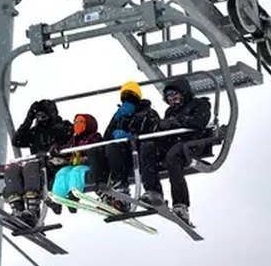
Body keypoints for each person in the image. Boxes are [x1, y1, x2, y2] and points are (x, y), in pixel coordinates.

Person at [138, 77, 212, 224]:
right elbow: (168, 130)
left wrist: (177, 121)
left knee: (173, 157)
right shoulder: (170, 111)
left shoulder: (200, 104)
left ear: (183, 93)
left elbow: (199, 122)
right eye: (168, 97)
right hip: (173, 142)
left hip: (192, 142)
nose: (171, 99)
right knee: (147, 147)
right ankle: (154, 192)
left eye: (174, 94)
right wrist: (160, 126)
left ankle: (181, 204)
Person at [0, 99, 73, 227]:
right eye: (38, 116)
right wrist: (29, 118)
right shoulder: (35, 132)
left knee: (30, 166)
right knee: (12, 169)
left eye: (43, 115)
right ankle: (18, 208)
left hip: (53, 167)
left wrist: (53, 144)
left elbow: (66, 135)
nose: (41, 119)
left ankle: (33, 210)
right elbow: (17, 141)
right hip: (37, 166)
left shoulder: (63, 126)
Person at [90, 81, 159, 210]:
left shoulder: (147, 113)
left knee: (113, 147)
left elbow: (153, 132)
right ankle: (103, 189)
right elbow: (107, 137)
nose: (128, 101)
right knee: (95, 151)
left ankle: (121, 188)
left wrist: (130, 135)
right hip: (118, 153)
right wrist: (117, 121)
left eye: (131, 97)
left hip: (136, 151)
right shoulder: (119, 116)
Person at [49, 113, 103, 205]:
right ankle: (57, 197)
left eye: (81, 122)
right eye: (76, 122)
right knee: (62, 172)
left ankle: (74, 194)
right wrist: (56, 148)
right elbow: (67, 148)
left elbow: (94, 149)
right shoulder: (74, 139)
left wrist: (81, 153)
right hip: (76, 164)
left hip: (88, 165)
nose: (77, 125)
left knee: (76, 172)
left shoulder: (94, 137)